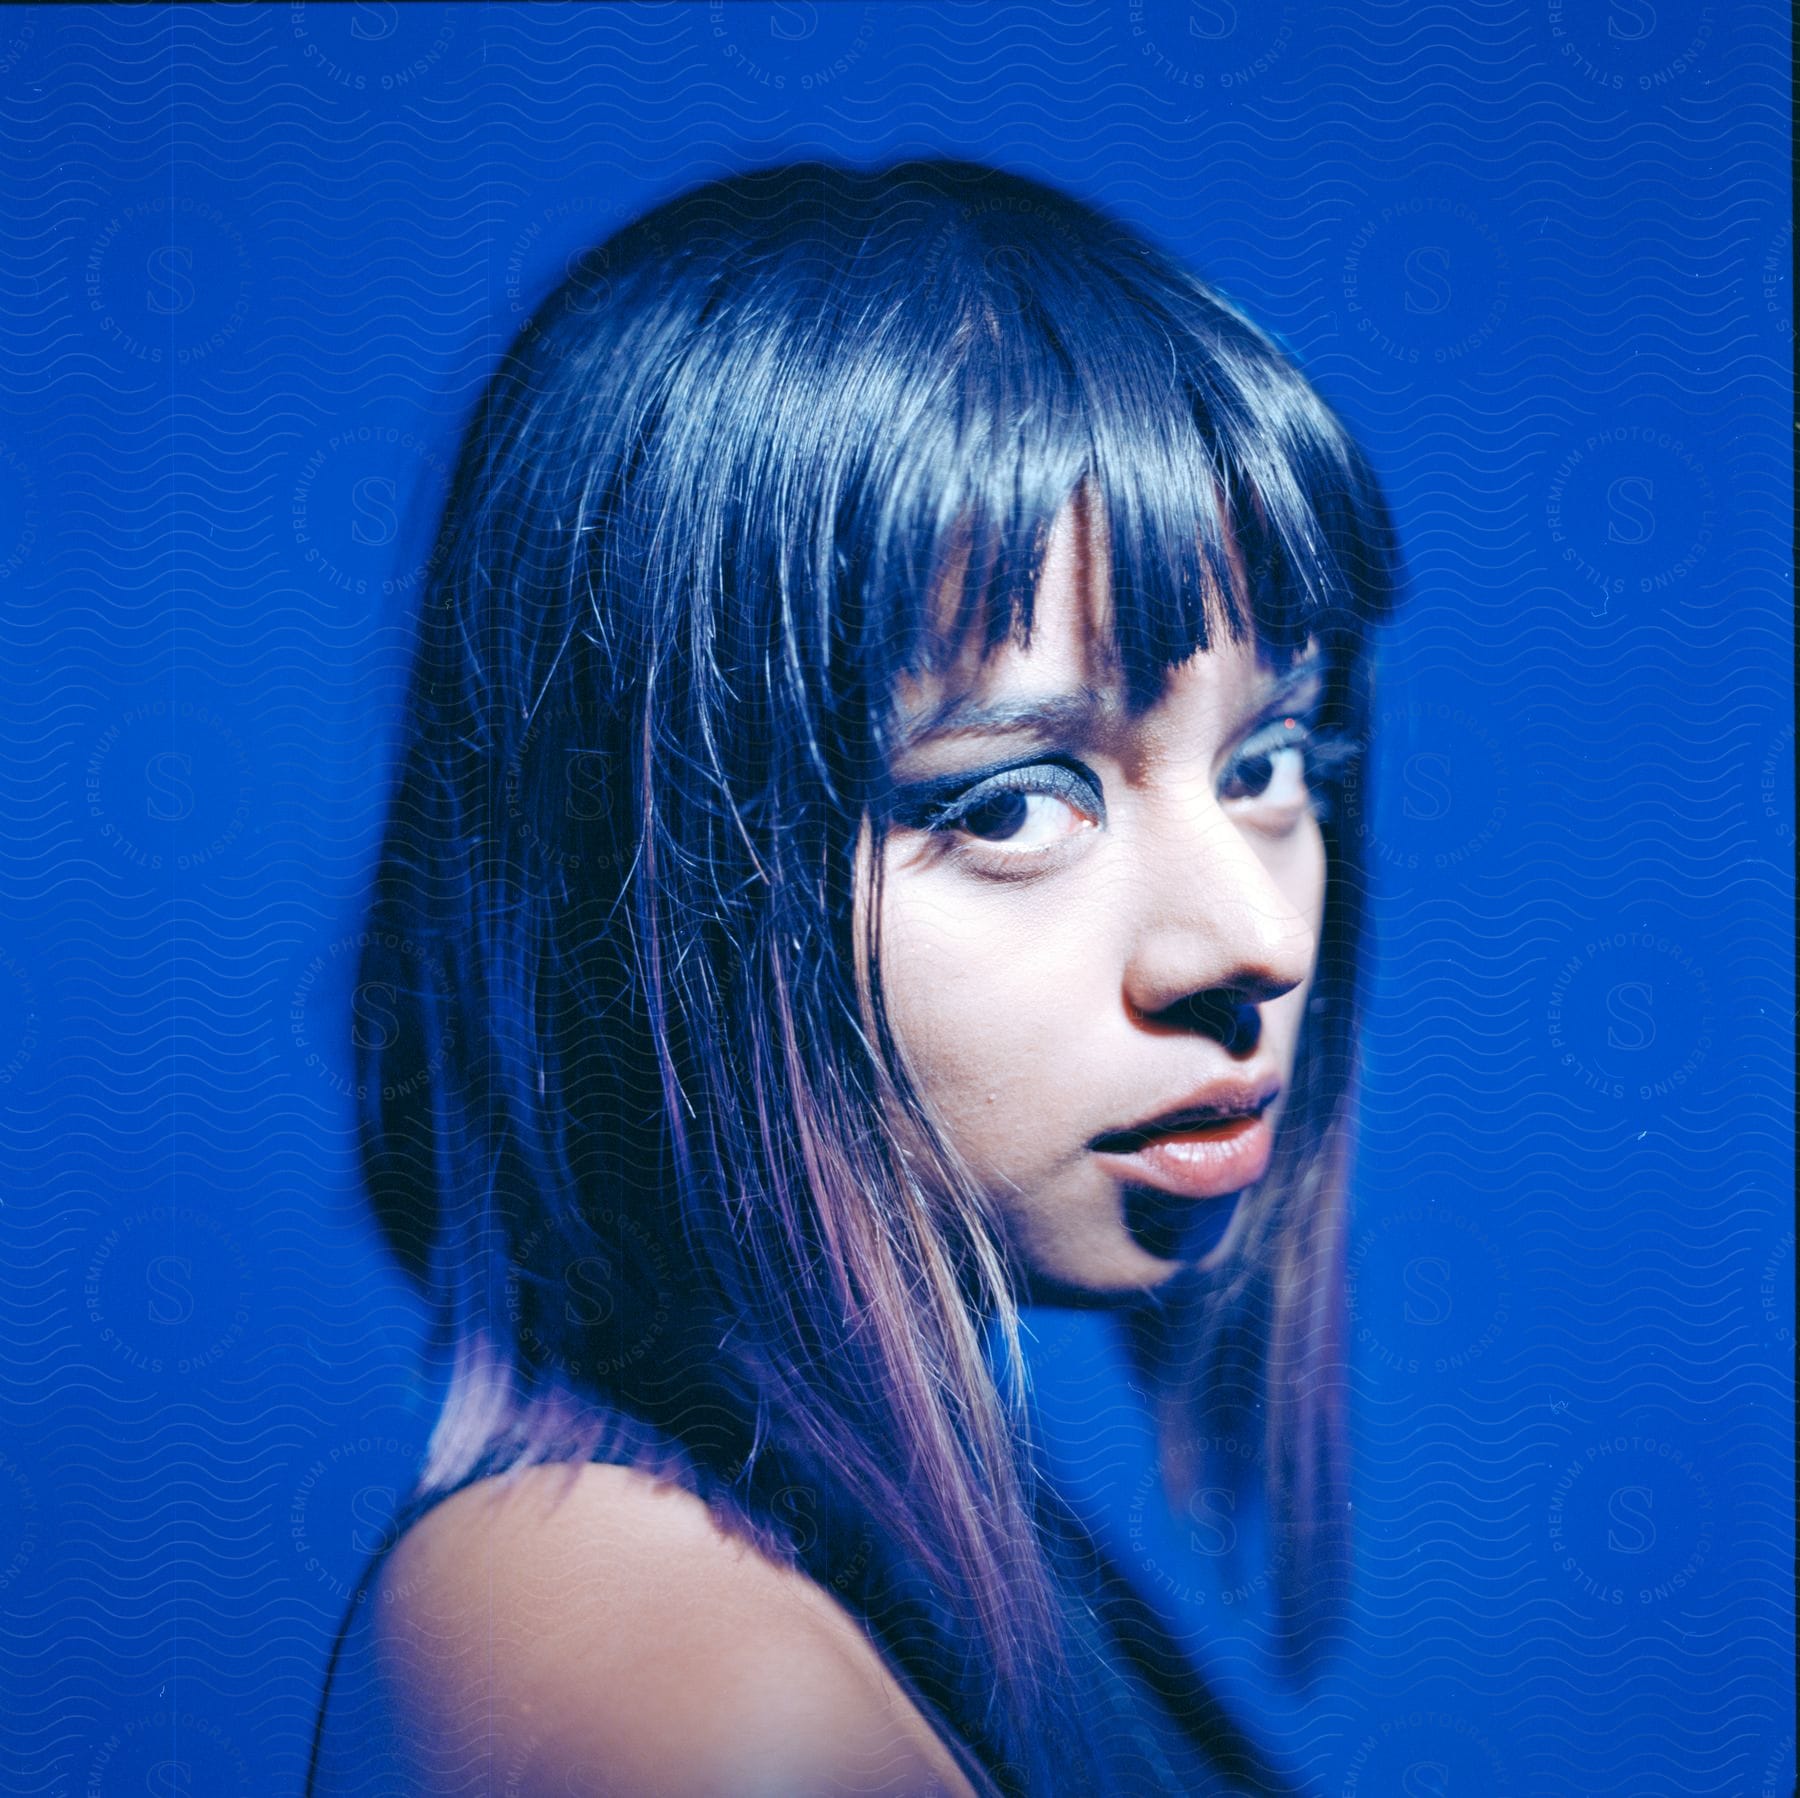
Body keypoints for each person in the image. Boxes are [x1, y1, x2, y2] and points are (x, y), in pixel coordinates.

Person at [305, 157, 1401, 1798]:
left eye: (1269, 758)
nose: (1249, 935)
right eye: (1016, 797)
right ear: (646, 876)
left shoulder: (878, 1550)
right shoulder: (655, 1663)